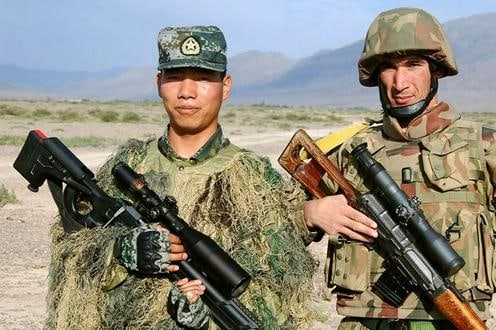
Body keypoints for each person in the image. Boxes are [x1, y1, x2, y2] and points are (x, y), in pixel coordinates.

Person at [45, 25, 315, 329]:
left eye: (202, 78)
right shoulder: (127, 166)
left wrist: (204, 319)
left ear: (225, 86)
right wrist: (120, 250)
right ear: (158, 83)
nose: (187, 92)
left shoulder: (255, 181)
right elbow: (70, 257)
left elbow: (278, 289)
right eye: (174, 78)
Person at [301, 7, 496, 329]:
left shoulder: (483, 146)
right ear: (375, 75)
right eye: (388, 69)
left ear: (436, 70)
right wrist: (310, 213)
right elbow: (269, 224)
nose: (400, 82)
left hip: (452, 317)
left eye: (414, 65)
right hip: (364, 322)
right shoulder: (347, 151)